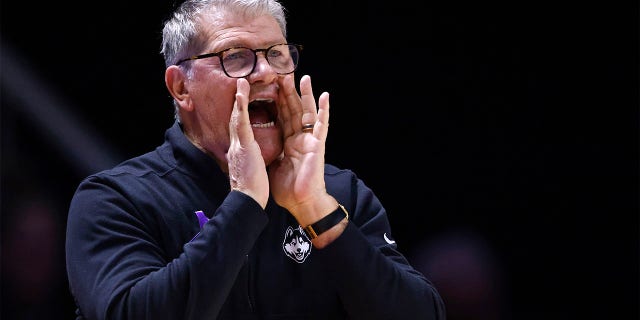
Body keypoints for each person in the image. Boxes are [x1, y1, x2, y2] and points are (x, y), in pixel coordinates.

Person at [65, 0, 445, 319]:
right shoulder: (115, 199)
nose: (266, 72)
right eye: (237, 57)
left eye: (277, 55)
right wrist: (245, 201)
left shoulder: (338, 192)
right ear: (181, 87)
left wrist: (315, 210)